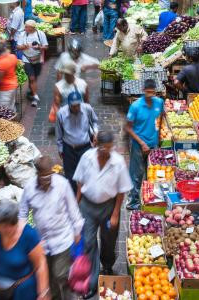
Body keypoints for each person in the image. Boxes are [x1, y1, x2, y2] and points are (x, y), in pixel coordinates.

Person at [73, 131, 132, 299]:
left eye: (108, 148)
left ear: (112, 147)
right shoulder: (87, 157)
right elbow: (80, 182)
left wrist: (115, 214)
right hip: (88, 206)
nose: (104, 151)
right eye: (101, 148)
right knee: (88, 242)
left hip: (108, 207)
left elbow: (121, 191)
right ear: (95, 144)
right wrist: (76, 205)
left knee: (109, 240)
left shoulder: (118, 162)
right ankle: (92, 284)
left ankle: (107, 265)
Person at [19, 156, 84, 300]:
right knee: (48, 279)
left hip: (62, 240)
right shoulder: (29, 188)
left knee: (62, 275)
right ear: (37, 175)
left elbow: (73, 209)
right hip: (42, 244)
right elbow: (22, 214)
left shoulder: (62, 185)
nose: (47, 182)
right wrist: (25, 236)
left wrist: (77, 230)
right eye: (43, 179)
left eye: (49, 178)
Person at [0, 201, 50, 300]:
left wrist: (42, 293)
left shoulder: (29, 235)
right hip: (1, 288)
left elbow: (41, 265)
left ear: (10, 224)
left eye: (1, 226)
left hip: (23, 291)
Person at [125, 79, 164, 210]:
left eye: (152, 93)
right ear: (143, 91)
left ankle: (150, 203)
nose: (150, 95)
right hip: (138, 145)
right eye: (147, 92)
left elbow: (160, 118)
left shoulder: (159, 102)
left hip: (153, 145)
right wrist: (142, 143)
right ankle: (133, 202)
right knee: (136, 174)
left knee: (151, 175)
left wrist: (158, 139)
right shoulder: (135, 106)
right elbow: (128, 128)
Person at [56, 95, 99, 192]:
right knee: (70, 175)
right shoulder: (61, 113)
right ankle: (74, 195)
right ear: (69, 105)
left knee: (87, 171)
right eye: (73, 106)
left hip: (85, 147)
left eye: (78, 105)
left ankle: (86, 194)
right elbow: (59, 132)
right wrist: (60, 148)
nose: (76, 108)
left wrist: (96, 132)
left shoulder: (87, 109)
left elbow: (95, 121)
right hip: (69, 148)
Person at [17, 20, 49, 107]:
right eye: (25, 26)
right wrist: (25, 46)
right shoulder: (22, 34)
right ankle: (35, 97)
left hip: (37, 58)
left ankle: (31, 91)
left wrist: (38, 47)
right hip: (26, 58)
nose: (25, 28)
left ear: (32, 28)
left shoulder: (40, 34)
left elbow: (45, 47)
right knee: (31, 78)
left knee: (35, 77)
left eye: (27, 27)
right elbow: (18, 46)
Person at [0, 41, 18, 112]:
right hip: (13, 84)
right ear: (5, 49)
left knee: (3, 110)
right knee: (11, 106)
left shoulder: (0, 64)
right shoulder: (13, 56)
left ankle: (7, 122)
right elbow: (15, 68)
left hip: (5, 89)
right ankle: (13, 121)